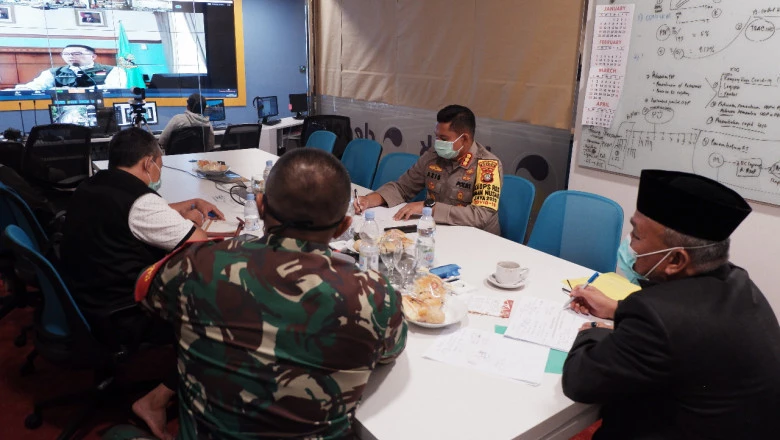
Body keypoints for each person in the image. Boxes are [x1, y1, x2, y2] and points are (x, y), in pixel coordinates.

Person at [120, 148, 408, 439]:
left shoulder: (195, 264)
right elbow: (389, 351)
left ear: (259, 206)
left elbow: (149, 300)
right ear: (344, 226)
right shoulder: (375, 295)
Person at [562, 169, 780, 440]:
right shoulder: (739, 283)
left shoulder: (655, 315)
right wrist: (616, 309)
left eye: (637, 236)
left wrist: (591, 329)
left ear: (676, 260)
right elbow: (690, 329)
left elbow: (580, 382)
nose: (630, 245)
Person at [59, 128, 224, 439]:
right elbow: (198, 243)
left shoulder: (93, 185)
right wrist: (195, 222)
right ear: (149, 162)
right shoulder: (140, 202)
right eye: (159, 162)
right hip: (120, 310)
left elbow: (135, 217)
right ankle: (154, 400)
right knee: (217, 315)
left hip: (82, 293)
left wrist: (185, 204)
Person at [354, 104, 503, 235]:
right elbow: (402, 187)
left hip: (477, 240)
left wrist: (429, 209)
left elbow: (480, 216)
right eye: (436, 137)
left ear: (464, 138)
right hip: (436, 232)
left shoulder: (487, 165)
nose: (438, 143)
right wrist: (369, 199)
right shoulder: (433, 155)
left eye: (444, 139)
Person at [15, 44, 127, 90]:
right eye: (67, 54)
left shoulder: (113, 70)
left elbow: (113, 88)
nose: (71, 57)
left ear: (93, 56)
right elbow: (37, 86)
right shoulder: (53, 72)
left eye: (77, 54)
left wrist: (70, 91)